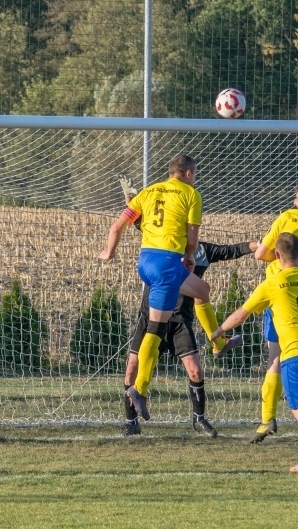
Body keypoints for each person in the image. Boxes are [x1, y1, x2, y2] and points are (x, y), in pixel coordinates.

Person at [100, 155, 239, 422]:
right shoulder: (191, 194)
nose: (195, 179)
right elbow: (192, 236)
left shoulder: (148, 192)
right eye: (194, 174)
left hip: (146, 263)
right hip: (167, 265)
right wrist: (190, 255)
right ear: (187, 173)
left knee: (202, 290)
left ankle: (218, 341)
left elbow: (117, 227)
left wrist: (109, 252)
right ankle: (140, 389)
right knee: (155, 328)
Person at [212, 233, 298, 474]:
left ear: (277, 255)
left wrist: (219, 331)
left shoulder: (273, 284)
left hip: (296, 355)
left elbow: (241, 314)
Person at [122, 240, 257, 437]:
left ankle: (199, 420)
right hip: (151, 319)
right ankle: (131, 422)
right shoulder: (162, 246)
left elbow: (231, 250)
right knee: (132, 370)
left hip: (180, 321)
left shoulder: (202, 250)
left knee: (195, 371)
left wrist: (258, 245)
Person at [251, 181, 298, 443]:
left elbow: (262, 254)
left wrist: (260, 248)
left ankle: (267, 418)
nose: (293, 201)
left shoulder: (288, 217)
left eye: (296, 198)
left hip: (282, 290)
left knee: (275, 357)